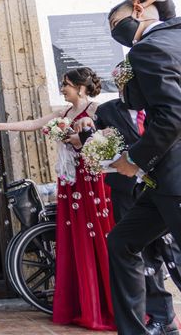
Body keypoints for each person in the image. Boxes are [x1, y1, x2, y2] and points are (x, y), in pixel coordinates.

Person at [0, 67, 115, 330]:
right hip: (70, 181)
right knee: (73, 239)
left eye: (66, 84)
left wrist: (83, 137)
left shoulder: (95, 110)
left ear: (81, 87)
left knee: (94, 237)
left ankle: (103, 304)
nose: (63, 88)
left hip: (90, 180)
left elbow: (110, 137)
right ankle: (81, 303)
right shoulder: (64, 113)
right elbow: (33, 124)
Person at [105, 0, 181, 335]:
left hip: (175, 174)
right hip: (162, 180)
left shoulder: (147, 50)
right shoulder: (173, 34)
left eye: (114, 24)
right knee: (122, 241)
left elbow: (172, 117)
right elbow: (170, 19)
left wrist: (133, 159)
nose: (113, 32)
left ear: (137, 10)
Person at [79, 90, 181, 331]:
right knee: (138, 253)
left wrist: (135, 159)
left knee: (172, 253)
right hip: (128, 191)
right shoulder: (107, 110)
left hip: (169, 185)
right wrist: (86, 130)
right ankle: (161, 318)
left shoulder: (163, 106)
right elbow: (94, 141)